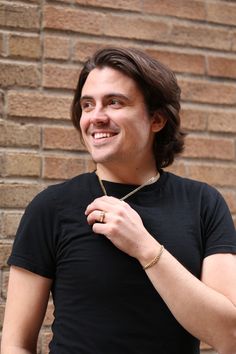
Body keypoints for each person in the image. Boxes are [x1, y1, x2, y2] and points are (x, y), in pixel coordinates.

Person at [1, 47, 236, 354]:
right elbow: (15, 344)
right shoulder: (51, 207)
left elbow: (229, 336)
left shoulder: (203, 203)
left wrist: (144, 246)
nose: (96, 117)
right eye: (87, 105)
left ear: (157, 119)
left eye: (114, 102)